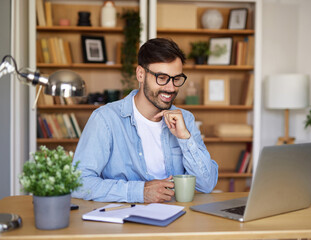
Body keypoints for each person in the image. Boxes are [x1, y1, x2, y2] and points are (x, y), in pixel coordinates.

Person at [72, 38, 218, 203]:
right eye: (162, 77)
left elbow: (207, 185)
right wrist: (139, 192)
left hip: (177, 219)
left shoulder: (185, 120)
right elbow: (78, 183)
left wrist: (185, 138)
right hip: (126, 221)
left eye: (176, 79)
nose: (171, 88)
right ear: (140, 74)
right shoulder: (106, 119)